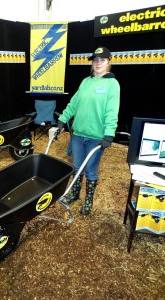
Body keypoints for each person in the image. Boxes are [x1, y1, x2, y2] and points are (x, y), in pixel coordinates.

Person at [58, 46, 120, 215]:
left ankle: (88, 201)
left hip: (96, 138)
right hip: (78, 135)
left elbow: (111, 111)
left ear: (109, 62)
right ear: (92, 63)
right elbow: (74, 103)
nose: (98, 63)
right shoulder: (86, 82)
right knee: (77, 166)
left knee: (90, 169)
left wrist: (109, 134)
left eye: (102, 60)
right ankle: (75, 194)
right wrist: (62, 120)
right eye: (95, 60)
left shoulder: (112, 84)